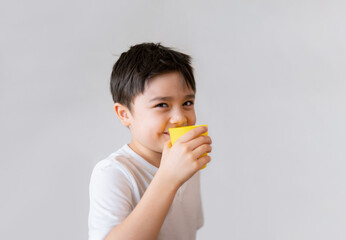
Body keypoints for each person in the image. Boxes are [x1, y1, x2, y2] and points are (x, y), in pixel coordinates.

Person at [88, 43, 212, 240]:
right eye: (162, 104)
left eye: (187, 103)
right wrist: (169, 178)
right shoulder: (114, 173)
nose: (180, 118)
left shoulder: (188, 164)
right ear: (124, 114)